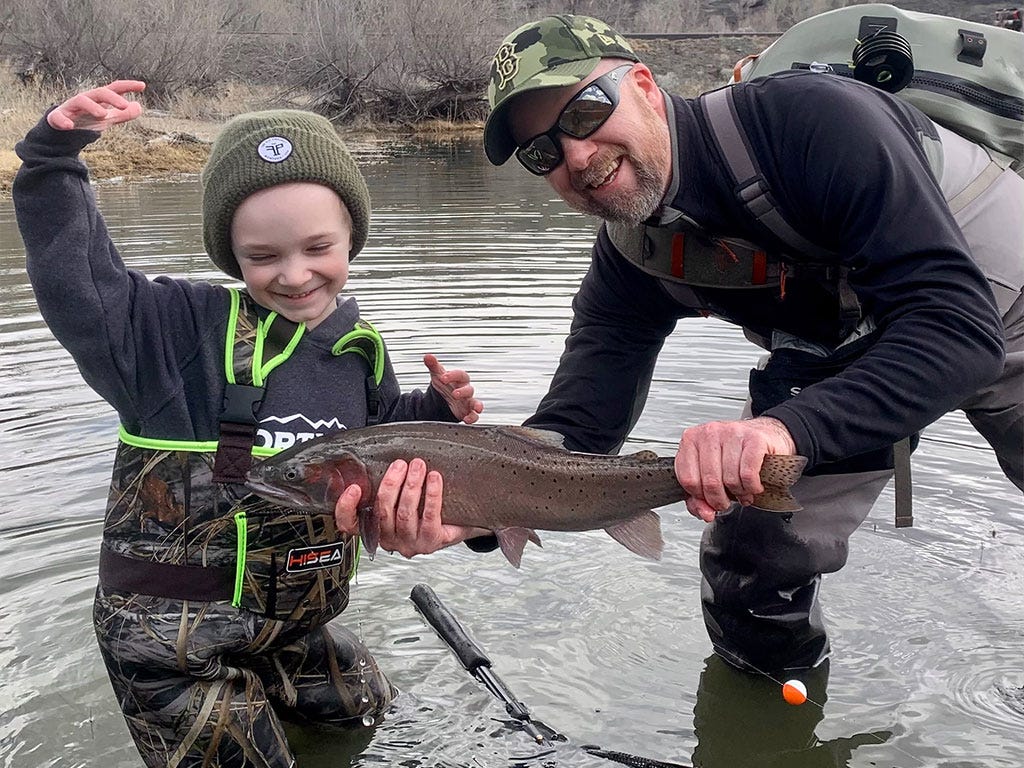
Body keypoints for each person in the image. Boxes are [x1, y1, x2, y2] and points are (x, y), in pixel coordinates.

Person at [471, 14, 1021, 675]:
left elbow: (960, 332)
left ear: (643, 86)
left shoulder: (812, 123)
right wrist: (475, 501)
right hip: (842, 344)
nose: (577, 157)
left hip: (997, 303)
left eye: (585, 113)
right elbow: (579, 429)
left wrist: (782, 429)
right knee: (750, 563)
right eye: (542, 152)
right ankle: (777, 708)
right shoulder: (630, 255)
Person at [13, 80, 488, 767]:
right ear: (230, 252)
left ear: (352, 237)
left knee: (363, 715)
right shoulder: (167, 337)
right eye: (263, 256)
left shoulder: (359, 349)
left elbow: (383, 429)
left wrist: (437, 412)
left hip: (294, 626)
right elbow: (77, 282)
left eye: (318, 247)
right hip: (171, 650)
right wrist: (53, 158)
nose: (295, 276)